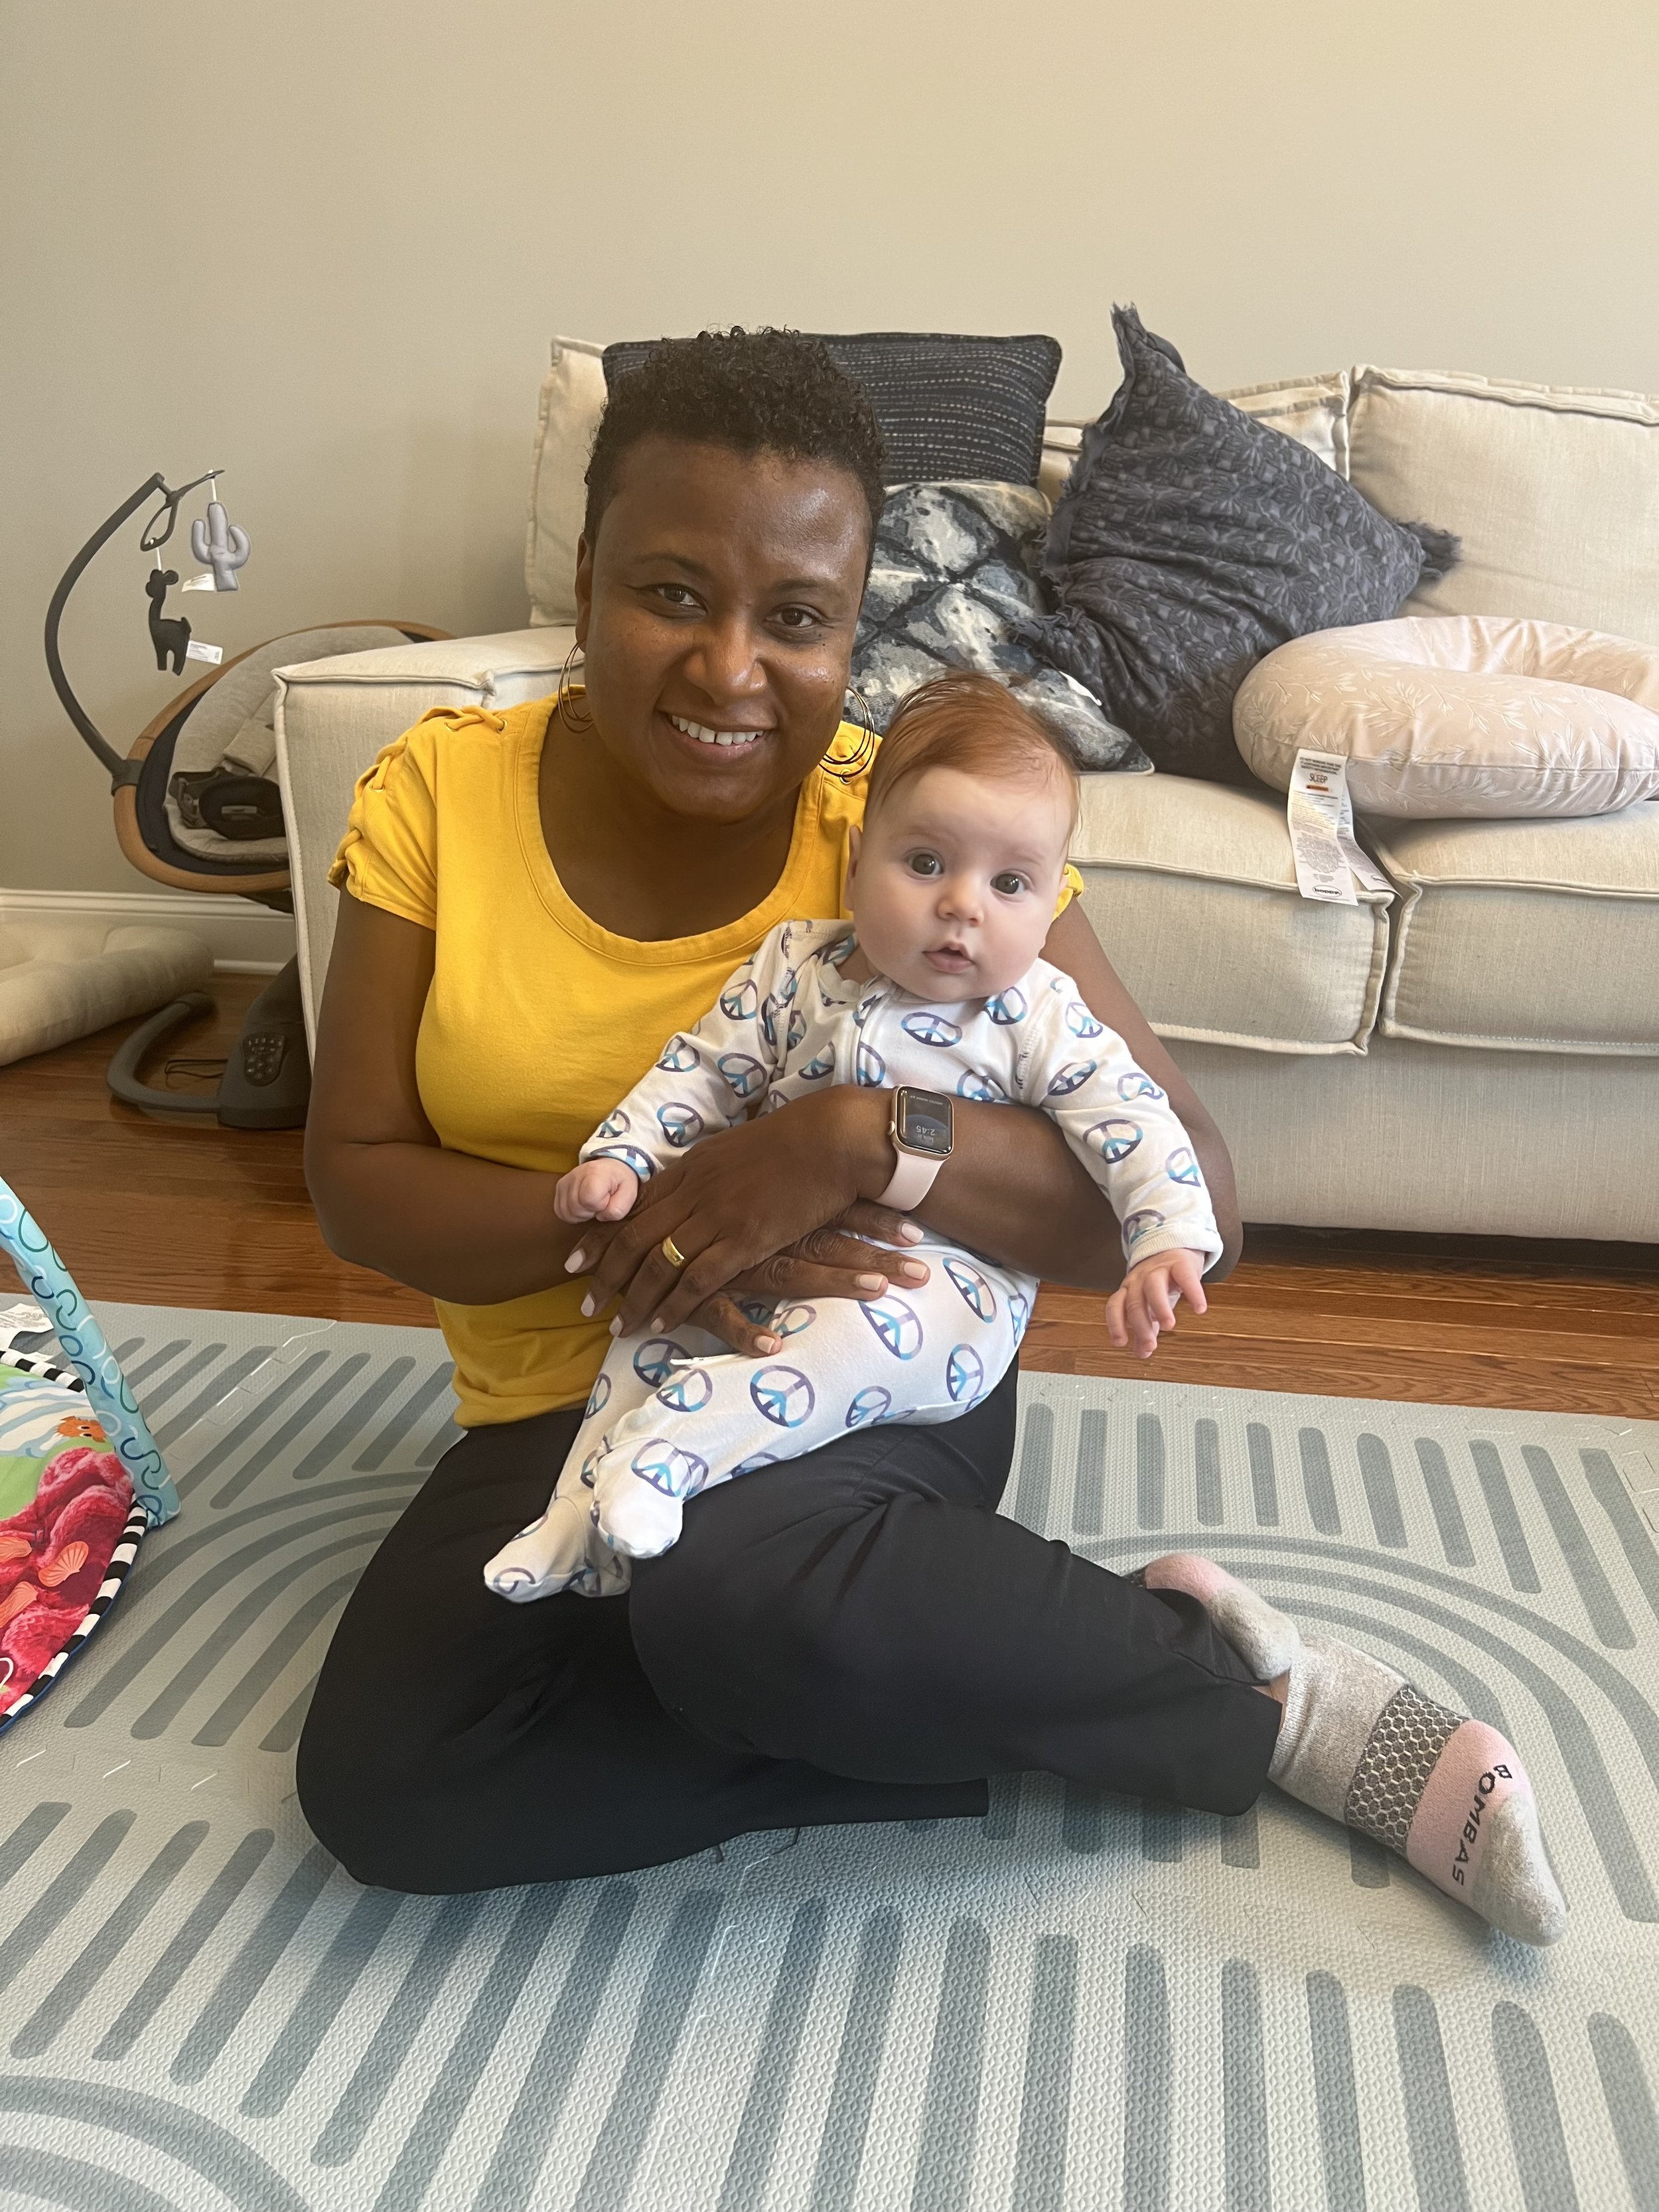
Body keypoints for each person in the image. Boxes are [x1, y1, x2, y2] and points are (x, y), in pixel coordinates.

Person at [297, 329, 1564, 1945]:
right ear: (586, 577)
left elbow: (1185, 1200)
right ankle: (964, 1693)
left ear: (851, 624)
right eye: (671, 592)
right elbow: (355, 1180)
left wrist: (849, 1138)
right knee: (391, 1784)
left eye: (800, 618)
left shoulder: (921, 835)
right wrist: (667, 1229)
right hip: (565, 1391)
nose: (731, 668)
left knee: (726, 1604)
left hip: (875, 1370)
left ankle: (1253, 1701)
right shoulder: (434, 795)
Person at [482, 671, 1222, 1601]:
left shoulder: (1037, 1012)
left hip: (937, 1279)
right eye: (925, 864)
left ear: (1048, 900)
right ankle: (571, 1526)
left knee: (859, 1342)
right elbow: (701, 1071)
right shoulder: (797, 964)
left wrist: (1164, 1237)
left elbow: (1134, 1119)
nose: (965, 905)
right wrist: (620, 1160)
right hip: (764, 1248)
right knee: (650, 1324)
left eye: (1011, 883)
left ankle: (678, 1450)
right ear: (856, 862)